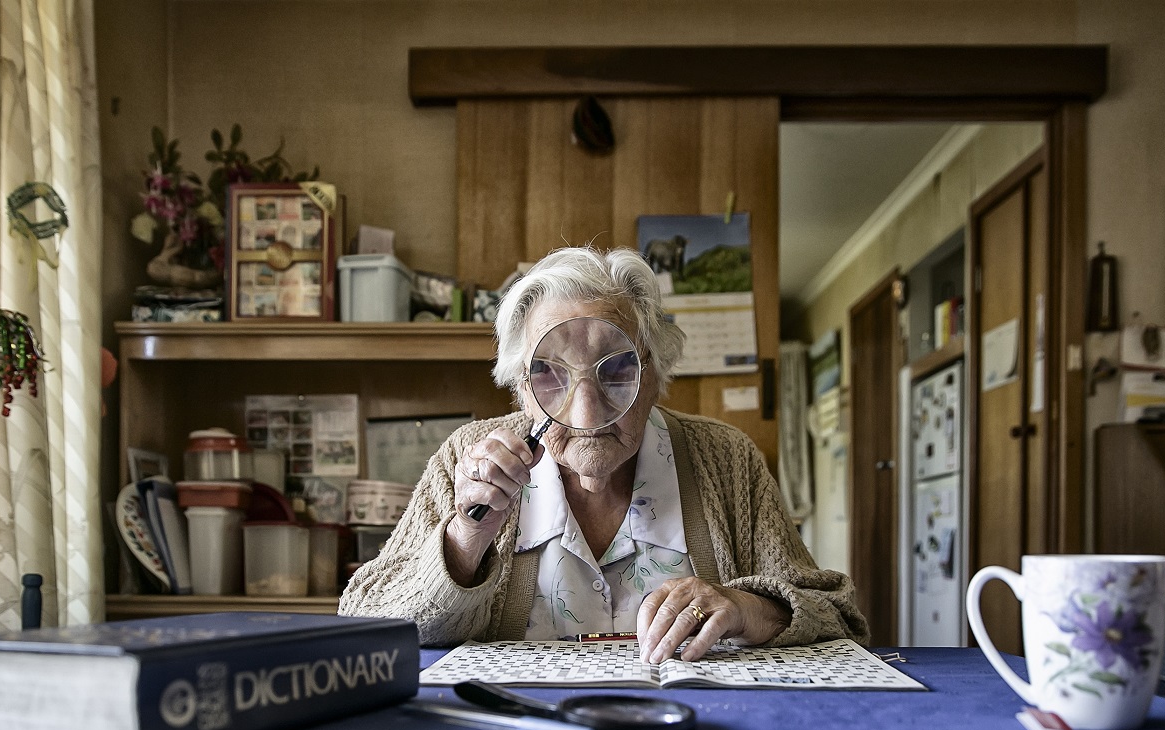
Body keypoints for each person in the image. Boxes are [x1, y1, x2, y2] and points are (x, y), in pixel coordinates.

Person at [338, 247, 868, 662]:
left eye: (618, 371)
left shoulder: (726, 459)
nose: (588, 413)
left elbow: (840, 619)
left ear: (657, 373)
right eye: (549, 373)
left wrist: (746, 607)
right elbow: (362, 621)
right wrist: (465, 539)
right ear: (519, 388)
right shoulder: (465, 457)